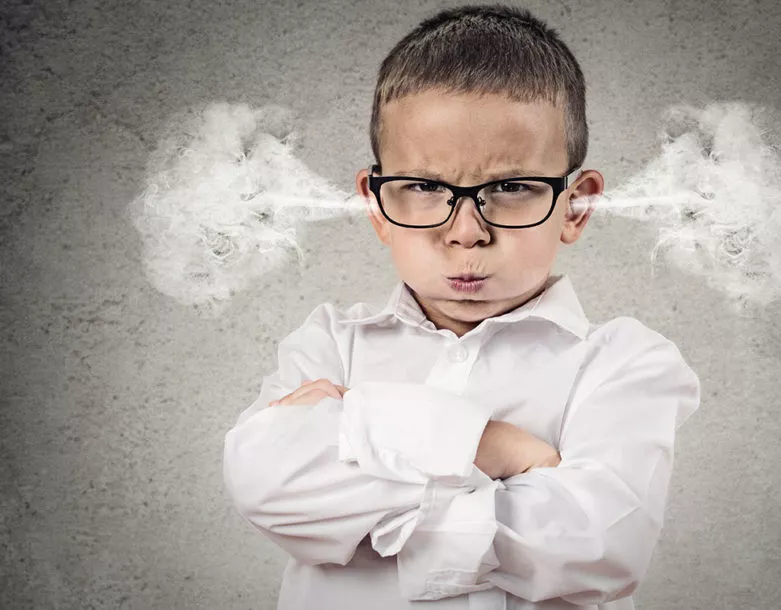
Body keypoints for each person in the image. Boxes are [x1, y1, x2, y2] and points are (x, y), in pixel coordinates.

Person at [222, 5, 700, 609]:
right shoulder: (329, 342)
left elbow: (597, 543)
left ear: (576, 206)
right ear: (375, 204)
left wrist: (367, 452)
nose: (466, 231)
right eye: (424, 187)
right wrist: (484, 446)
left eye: (511, 186)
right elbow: (266, 484)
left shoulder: (627, 362)